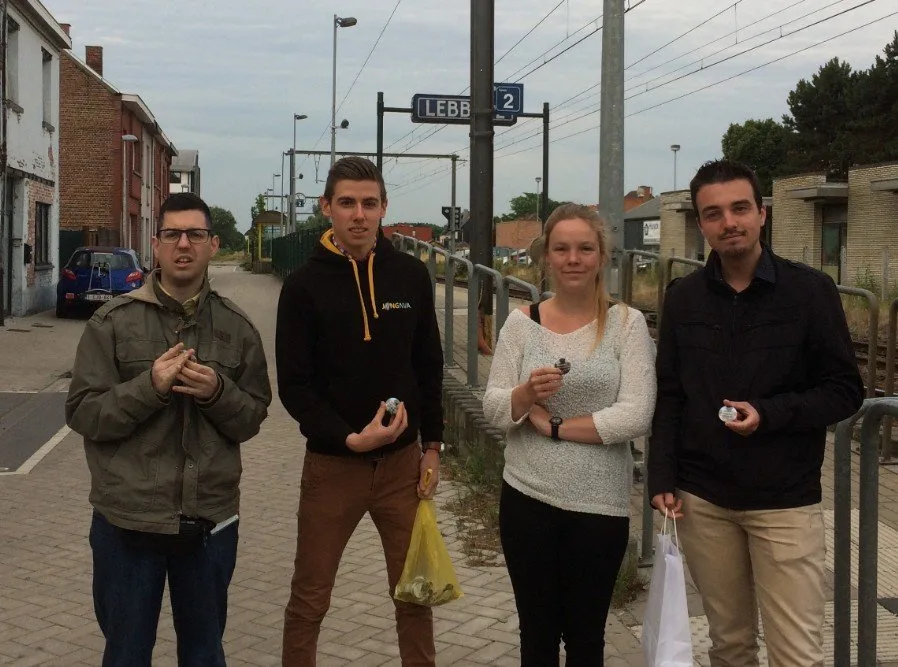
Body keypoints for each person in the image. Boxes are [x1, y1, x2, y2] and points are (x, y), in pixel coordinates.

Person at [648, 159, 864, 667]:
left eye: (740, 208)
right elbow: (671, 393)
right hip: (703, 499)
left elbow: (844, 391)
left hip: (784, 501)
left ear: (762, 213)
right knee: (730, 646)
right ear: (701, 224)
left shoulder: (810, 292)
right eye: (714, 213)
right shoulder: (683, 298)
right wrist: (661, 476)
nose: (729, 222)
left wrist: (769, 414)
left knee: (796, 654)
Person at [66, 192, 272, 667]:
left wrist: (217, 392)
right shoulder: (111, 322)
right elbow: (83, 413)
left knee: (204, 654)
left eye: (195, 234)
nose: (184, 244)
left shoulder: (238, 328)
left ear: (213, 244)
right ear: (155, 245)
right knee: (126, 654)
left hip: (209, 523)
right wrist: (150, 387)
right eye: (173, 234)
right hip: (127, 522)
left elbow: (252, 418)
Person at [276, 156, 444, 667]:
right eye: (347, 202)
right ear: (326, 207)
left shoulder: (411, 276)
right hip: (333, 468)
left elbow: (429, 366)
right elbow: (295, 387)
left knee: (414, 594)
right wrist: (348, 438)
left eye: (369, 203)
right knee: (309, 600)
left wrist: (433, 447)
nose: (359, 214)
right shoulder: (302, 287)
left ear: (384, 208)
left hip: (402, 469)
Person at [482, 203, 657, 666]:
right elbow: (494, 407)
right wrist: (525, 394)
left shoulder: (626, 324)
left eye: (584, 248)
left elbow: (637, 414)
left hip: (599, 506)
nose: (573, 259)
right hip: (527, 499)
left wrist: (556, 426)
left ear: (602, 256)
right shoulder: (522, 323)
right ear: (546, 257)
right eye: (561, 249)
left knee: (586, 639)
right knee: (537, 637)